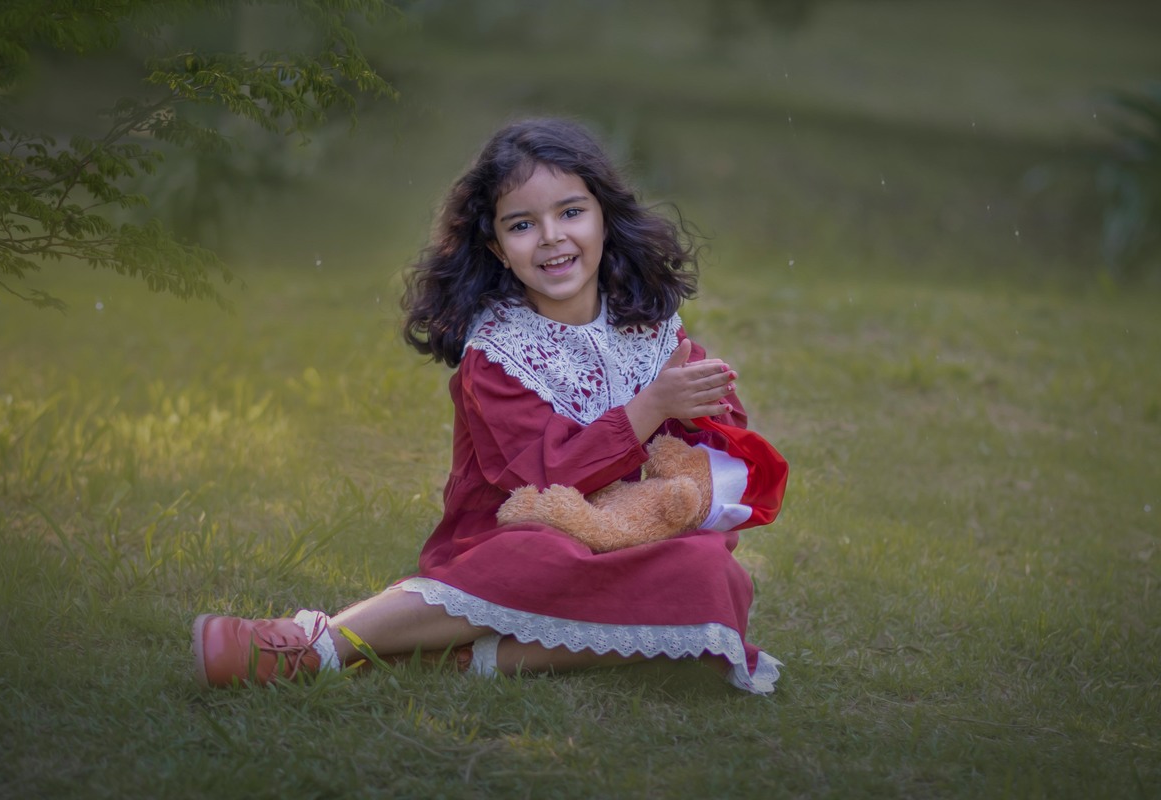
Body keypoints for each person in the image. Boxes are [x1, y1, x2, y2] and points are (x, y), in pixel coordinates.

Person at [192, 117, 789, 693]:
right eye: (523, 224)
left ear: (605, 220)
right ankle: (314, 644)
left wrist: (694, 408)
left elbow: (721, 443)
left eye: (572, 212)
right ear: (498, 247)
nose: (552, 237)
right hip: (513, 539)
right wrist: (650, 407)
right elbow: (541, 481)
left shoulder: (650, 328)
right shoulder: (499, 354)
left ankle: (469, 658)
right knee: (543, 552)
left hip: (628, 535)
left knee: (709, 571)